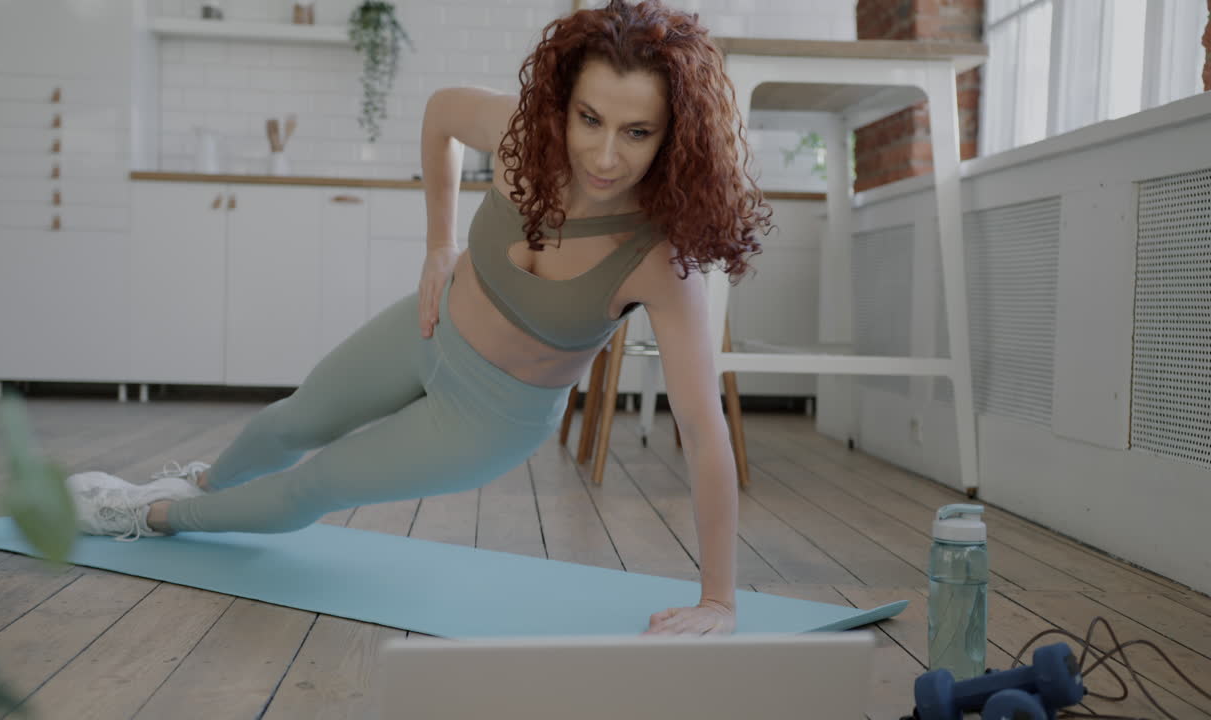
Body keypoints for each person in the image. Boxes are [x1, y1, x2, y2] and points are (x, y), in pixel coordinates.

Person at [68, 0, 773, 636]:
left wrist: (719, 600)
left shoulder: (658, 257)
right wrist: (441, 245)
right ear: (564, 102)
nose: (606, 154)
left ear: (674, 137)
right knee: (290, 421)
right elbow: (440, 114)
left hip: (490, 416)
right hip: (429, 326)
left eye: (638, 131)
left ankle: (147, 516)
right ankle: (200, 486)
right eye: (590, 118)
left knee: (315, 484)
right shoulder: (521, 136)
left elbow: (704, 433)